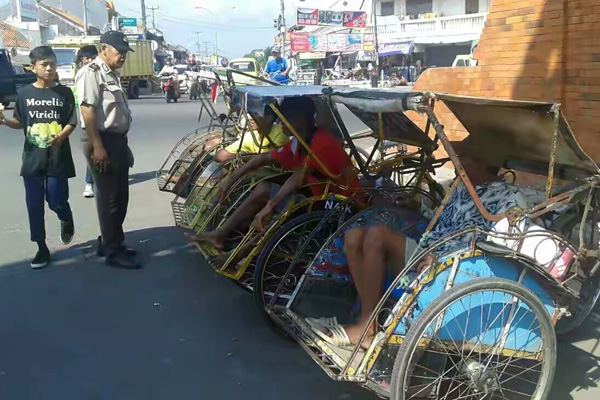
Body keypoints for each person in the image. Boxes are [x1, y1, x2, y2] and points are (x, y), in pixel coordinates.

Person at [307, 154, 528, 347]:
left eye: (465, 157)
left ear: (484, 161)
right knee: (353, 236)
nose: (458, 161)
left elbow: (501, 248)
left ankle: (367, 327)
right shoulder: (463, 188)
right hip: (428, 250)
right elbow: (441, 223)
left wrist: (444, 258)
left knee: (378, 235)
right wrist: (417, 207)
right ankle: (368, 318)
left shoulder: (510, 199)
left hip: (452, 266)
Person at [192, 97, 359, 258]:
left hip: (338, 204)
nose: (279, 123)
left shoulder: (321, 143)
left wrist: (270, 206)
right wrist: (231, 180)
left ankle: (239, 256)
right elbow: (264, 158)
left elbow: (299, 175)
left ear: (299, 119)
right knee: (264, 186)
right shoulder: (300, 142)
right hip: (315, 194)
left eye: (284, 118)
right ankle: (221, 235)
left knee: (286, 206)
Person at [0, 46, 77, 269]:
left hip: (57, 158)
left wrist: (61, 137)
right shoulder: (24, 94)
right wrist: (5, 121)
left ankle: (65, 216)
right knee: (34, 206)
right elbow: (20, 123)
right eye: (44, 65)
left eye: (52, 64)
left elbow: (71, 122)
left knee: (56, 200)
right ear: (33, 67)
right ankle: (41, 248)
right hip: (32, 159)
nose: (50, 68)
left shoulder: (64, 93)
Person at [76, 31, 139, 269]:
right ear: (104, 50)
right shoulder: (91, 73)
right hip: (101, 140)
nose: (122, 56)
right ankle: (113, 250)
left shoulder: (111, 73)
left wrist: (123, 146)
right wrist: (98, 147)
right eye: (118, 52)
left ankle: (113, 242)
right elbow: (87, 111)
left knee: (119, 195)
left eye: (124, 52)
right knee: (111, 198)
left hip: (116, 140)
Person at [74, 45, 99, 199]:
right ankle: (89, 183)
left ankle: (94, 182)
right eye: (86, 58)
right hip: (88, 122)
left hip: (100, 122)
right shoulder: (82, 74)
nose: (89, 61)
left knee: (99, 154)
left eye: (92, 58)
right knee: (93, 155)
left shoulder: (98, 72)